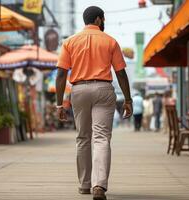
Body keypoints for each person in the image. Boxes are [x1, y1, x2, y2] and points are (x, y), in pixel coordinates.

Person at [55, 6, 133, 200]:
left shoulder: (69, 42)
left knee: (83, 137)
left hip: (79, 90)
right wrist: (128, 99)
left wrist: (59, 104)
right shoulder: (110, 41)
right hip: (103, 89)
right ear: (98, 20)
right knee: (101, 138)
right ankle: (99, 186)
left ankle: (84, 185)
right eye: (103, 19)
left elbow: (61, 73)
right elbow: (121, 73)